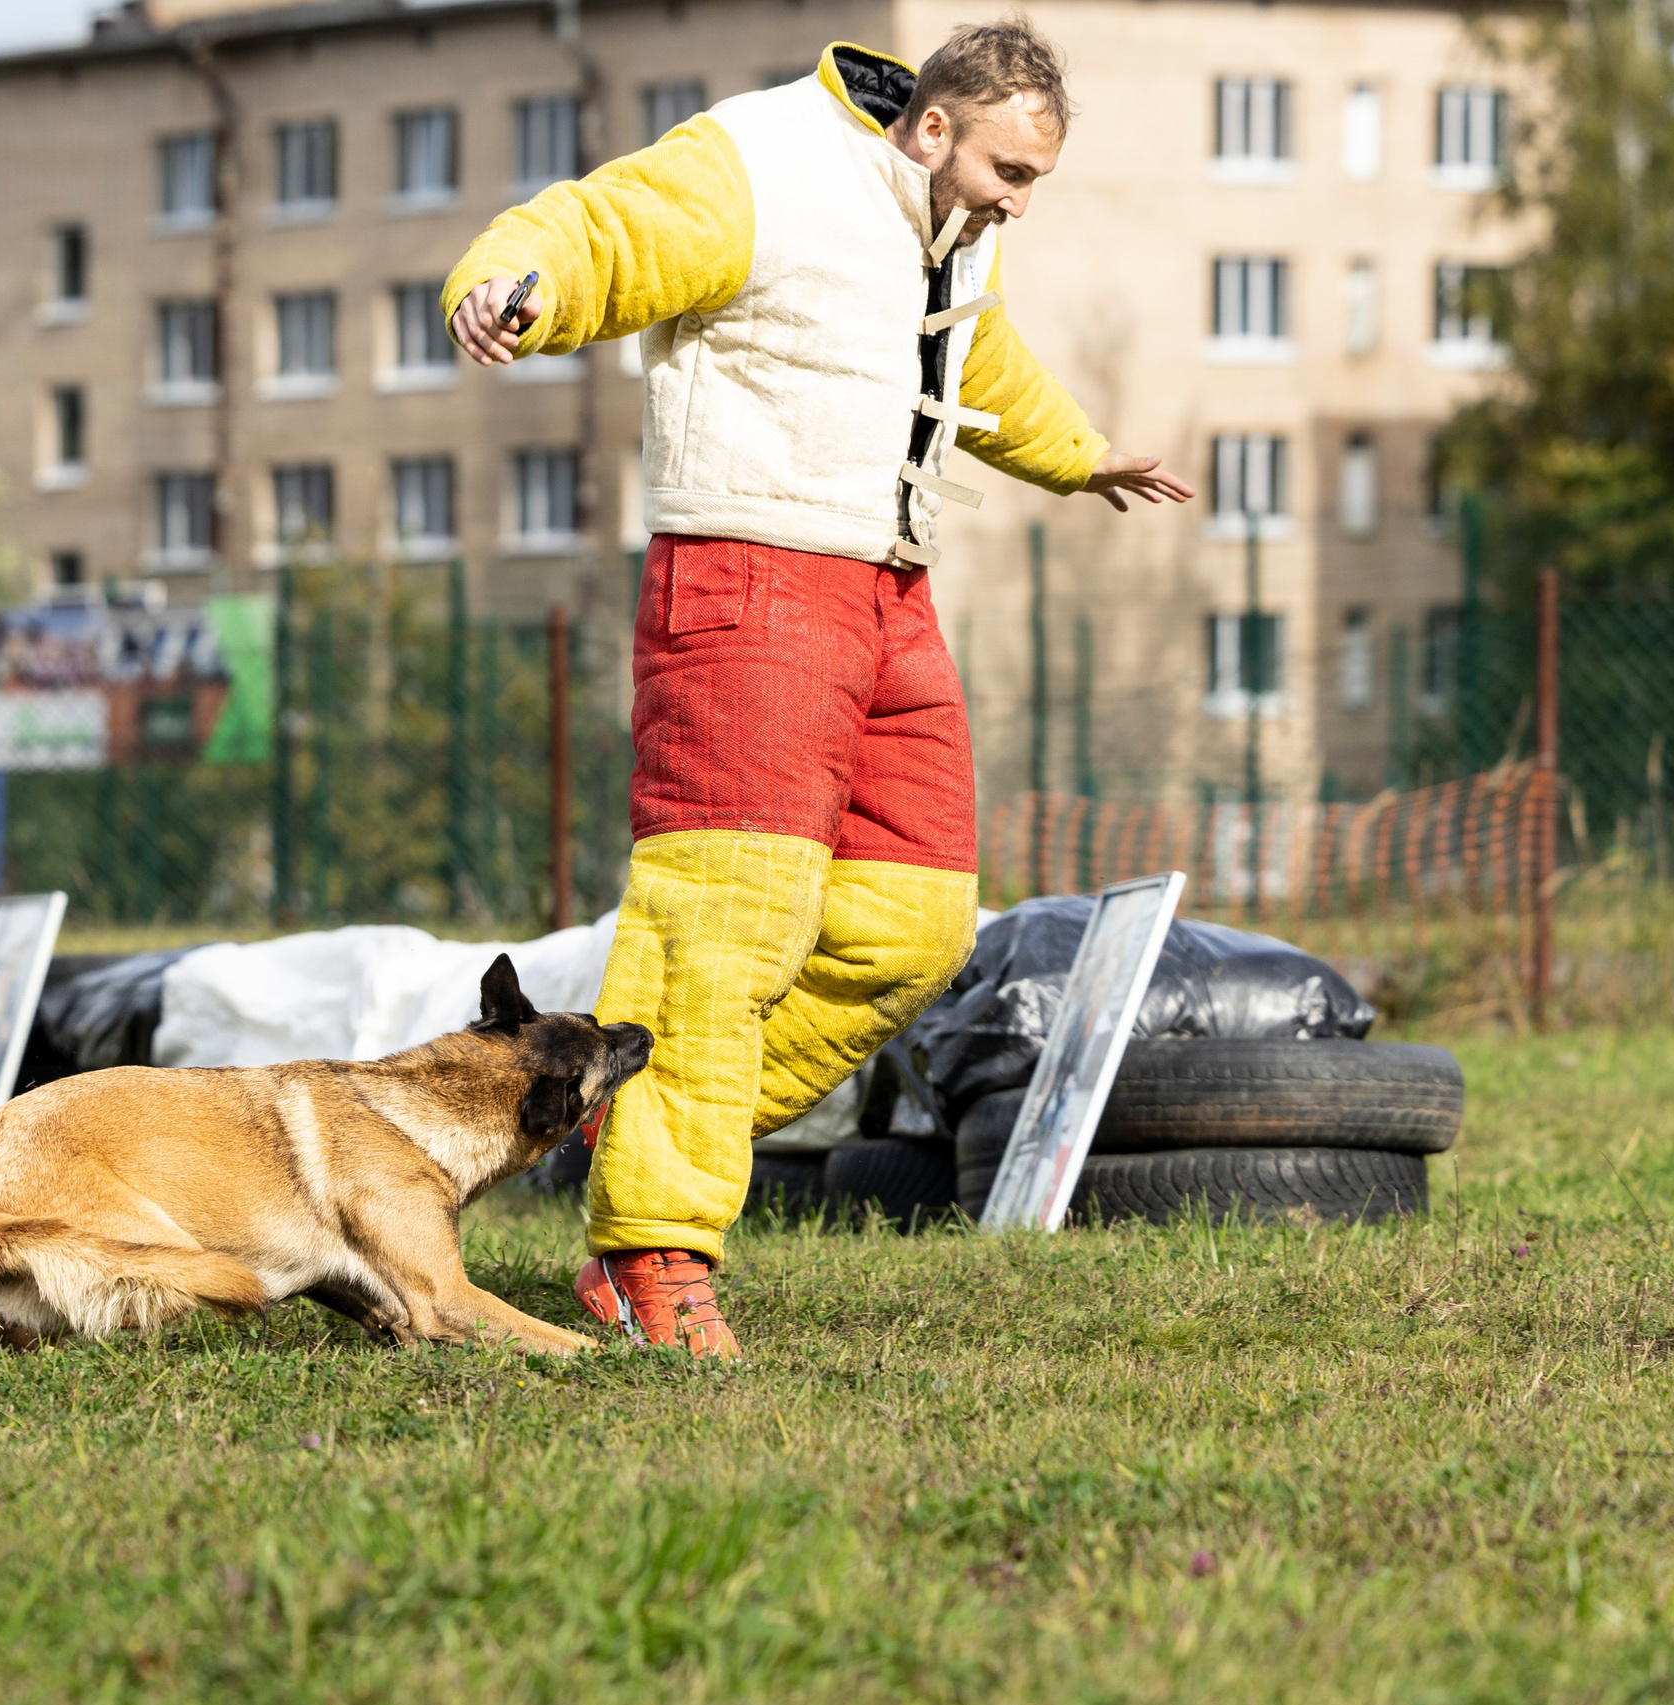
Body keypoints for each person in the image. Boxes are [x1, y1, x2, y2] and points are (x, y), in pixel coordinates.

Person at [443, 18, 1193, 1357]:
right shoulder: (761, 161)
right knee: (720, 931)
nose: (1021, 203)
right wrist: (516, 282)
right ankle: (648, 1258)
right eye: (1013, 174)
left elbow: (977, 356)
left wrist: (1078, 456)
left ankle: (644, 1112)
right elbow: (606, 230)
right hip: (748, 577)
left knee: (913, 924)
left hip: (889, 589)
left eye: (1036, 183)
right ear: (935, 127)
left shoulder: (952, 221)